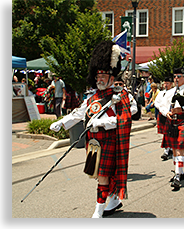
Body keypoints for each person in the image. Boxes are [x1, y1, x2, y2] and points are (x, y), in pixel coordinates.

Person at [49, 41, 132, 218]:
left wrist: (104, 122)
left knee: (102, 175)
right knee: (97, 174)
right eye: (97, 76)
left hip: (109, 140)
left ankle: (98, 211)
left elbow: (126, 117)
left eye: (103, 76)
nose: (99, 79)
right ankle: (114, 200)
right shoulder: (93, 96)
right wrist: (63, 123)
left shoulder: (119, 95)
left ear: (111, 77)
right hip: (93, 142)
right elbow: (80, 113)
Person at [157, 67, 184, 189]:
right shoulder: (170, 92)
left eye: (179, 76)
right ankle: (179, 172)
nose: (176, 79)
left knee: (180, 147)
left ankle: (177, 174)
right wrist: (167, 113)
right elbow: (162, 105)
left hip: (183, 119)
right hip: (172, 120)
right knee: (174, 148)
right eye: (175, 77)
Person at [154, 76, 174, 160]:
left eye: (167, 83)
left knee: (169, 133)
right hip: (162, 114)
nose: (165, 85)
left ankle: (167, 151)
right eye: (165, 83)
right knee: (166, 133)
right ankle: (170, 149)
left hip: (171, 114)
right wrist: (162, 110)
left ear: (171, 84)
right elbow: (156, 102)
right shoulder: (161, 93)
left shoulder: (173, 92)